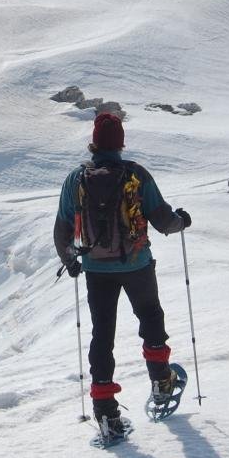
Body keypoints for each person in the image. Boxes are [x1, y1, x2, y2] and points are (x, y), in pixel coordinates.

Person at [54, 111, 191, 439]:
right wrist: (182, 221)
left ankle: (105, 411)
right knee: (150, 317)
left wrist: (71, 260)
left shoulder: (77, 179)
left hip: (96, 269)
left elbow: (62, 228)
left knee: (102, 334)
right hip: (136, 264)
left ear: (94, 143)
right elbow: (162, 220)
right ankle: (161, 381)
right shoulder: (136, 175)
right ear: (120, 144)